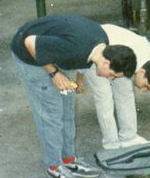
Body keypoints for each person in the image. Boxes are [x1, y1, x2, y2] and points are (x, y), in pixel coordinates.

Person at [10, 14, 137, 178]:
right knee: (51, 114)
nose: (110, 79)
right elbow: (30, 42)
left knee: (67, 110)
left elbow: (81, 58)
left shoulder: (102, 45)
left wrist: (77, 79)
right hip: (29, 56)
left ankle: (69, 160)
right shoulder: (75, 49)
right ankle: (55, 167)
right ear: (106, 63)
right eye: (113, 75)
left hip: (53, 52)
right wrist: (54, 73)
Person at [75, 24, 150, 150]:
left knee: (125, 93)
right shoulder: (133, 61)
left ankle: (129, 137)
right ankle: (111, 143)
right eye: (146, 87)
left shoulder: (148, 55)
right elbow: (86, 53)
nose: (142, 90)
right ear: (142, 73)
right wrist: (79, 79)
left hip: (115, 51)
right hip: (95, 49)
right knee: (104, 97)